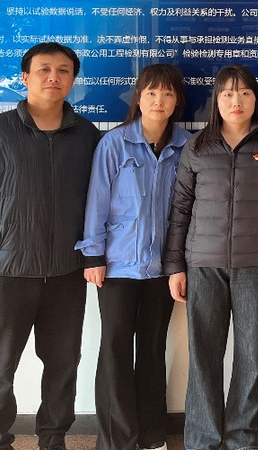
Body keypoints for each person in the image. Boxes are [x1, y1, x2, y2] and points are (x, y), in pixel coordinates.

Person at [0, 42, 101, 450]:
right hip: (4, 273)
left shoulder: (87, 136)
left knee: (63, 366)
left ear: (73, 80)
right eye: (44, 69)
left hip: (66, 274)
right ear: (26, 77)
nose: (54, 77)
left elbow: (103, 202)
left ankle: (53, 440)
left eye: (63, 70)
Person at [164, 65, 258, 450]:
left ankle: (245, 436)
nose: (237, 101)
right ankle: (202, 437)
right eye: (228, 93)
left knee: (254, 354)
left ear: (256, 99)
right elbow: (180, 208)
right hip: (203, 265)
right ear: (216, 100)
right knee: (203, 354)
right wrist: (175, 266)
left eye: (245, 93)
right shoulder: (197, 147)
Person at [76, 64, 192, 450]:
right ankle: (116, 440)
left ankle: (152, 436)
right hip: (117, 266)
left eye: (168, 93)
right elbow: (97, 201)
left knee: (153, 349)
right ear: (138, 98)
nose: (159, 101)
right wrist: (93, 255)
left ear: (177, 101)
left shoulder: (187, 147)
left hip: (164, 268)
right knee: (115, 349)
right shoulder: (115, 144)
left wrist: (181, 264)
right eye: (151, 93)